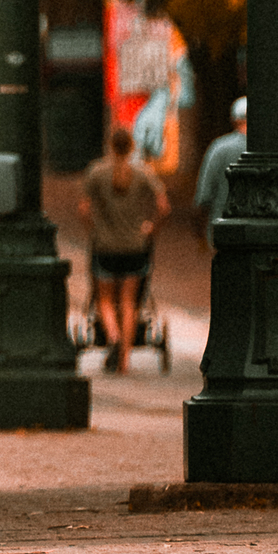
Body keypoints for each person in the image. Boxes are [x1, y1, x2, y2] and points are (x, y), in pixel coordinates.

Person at [80, 120, 168, 371]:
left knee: (105, 300)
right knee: (129, 301)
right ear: (131, 147)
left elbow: (84, 209)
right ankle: (125, 360)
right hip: (135, 246)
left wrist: (94, 231)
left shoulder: (96, 172)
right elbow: (163, 206)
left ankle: (114, 339)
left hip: (105, 245)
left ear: (110, 145)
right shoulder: (143, 173)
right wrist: (151, 228)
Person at [193, 97, 249, 244]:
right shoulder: (267, 150)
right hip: (258, 230)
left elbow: (204, 194)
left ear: (234, 120)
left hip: (223, 228)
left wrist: (201, 229)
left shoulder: (219, 148)